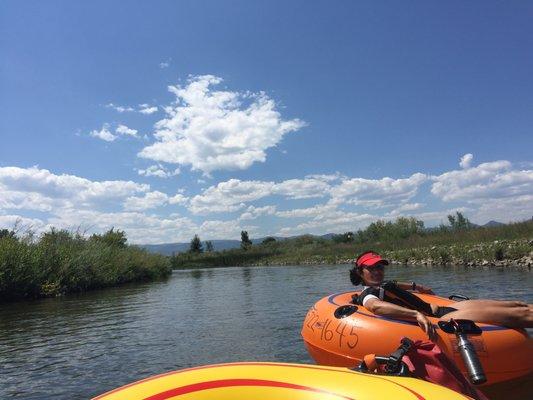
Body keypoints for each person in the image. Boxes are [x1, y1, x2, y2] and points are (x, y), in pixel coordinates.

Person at [349, 251, 533, 342]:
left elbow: (396, 284)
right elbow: (375, 306)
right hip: (440, 318)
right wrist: (415, 315)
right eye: (371, 268)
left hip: (442, 308)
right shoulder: (369, 293)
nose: (377, 271)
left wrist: (418, 286)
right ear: (360, 271)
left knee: (516, 304)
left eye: (380, 267)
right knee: (521, 316)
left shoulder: (383, 284)